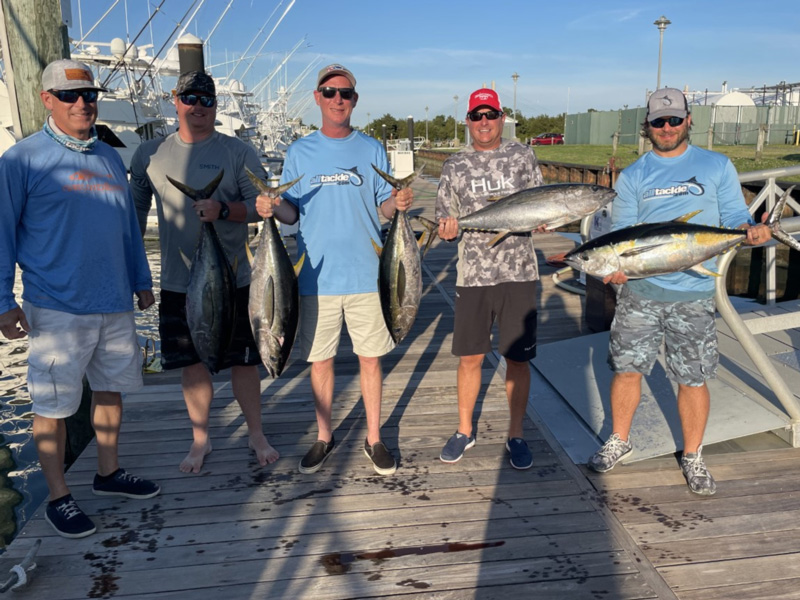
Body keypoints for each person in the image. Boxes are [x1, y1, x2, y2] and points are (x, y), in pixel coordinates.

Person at [0, 59, 160, 539]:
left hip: (113, 302)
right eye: (70, 95)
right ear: (47, 99)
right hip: (56, 307)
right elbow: (2, 232)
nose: (82, 102)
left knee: (111, 392)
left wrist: (139, 277)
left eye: (89, 93)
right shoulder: (21, 159)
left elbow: (127, 226)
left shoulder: (110, 157)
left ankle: (108, 473)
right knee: (52, 407)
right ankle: (57, 496)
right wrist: (3, 300)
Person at [586, 87, 772, 495]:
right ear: (647, 127)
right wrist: (614, 270)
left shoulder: (716, 165)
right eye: (658, 122)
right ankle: (620, 438)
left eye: (673, 120)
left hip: (695, 293)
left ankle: (693, 455)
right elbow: (624, 237)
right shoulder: (634, 175)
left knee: (693, 377)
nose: (666, 128)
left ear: (689, 120)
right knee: (627, 369)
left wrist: (752, 231)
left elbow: (736, 218)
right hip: (641, 292)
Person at [254, 64, 413, 476]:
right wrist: (271, 207)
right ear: (317, 98)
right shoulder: (299, 152)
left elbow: (382, 207)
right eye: (330, 92)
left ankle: (374, 438)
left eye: (345, 93)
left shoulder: (372, 149)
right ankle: (325, 436)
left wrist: (399, 203)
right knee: (320, 361)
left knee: (370, 359)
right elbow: (292, 214)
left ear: (355, 100)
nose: (338, 99)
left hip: (367, 274)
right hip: (314, 279)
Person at [130, 70, 278, 474]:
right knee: (192, 364)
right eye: (190, 98)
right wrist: (132, 264)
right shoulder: (149, 154)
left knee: (244, 361)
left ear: (216, 105)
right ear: (175, 100)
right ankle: (201, 439)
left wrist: (222, 210)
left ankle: (255, 433)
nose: (198, 106)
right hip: (180, 283)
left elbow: (260, 206)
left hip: (236, 277)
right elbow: (136, 212)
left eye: (207, 99)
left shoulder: (238, 151)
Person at [434, 88, 544, 470]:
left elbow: (540, 201)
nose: (484, 122)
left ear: (502, 118)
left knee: (517, 358)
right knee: (470, 357)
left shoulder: (522, 155)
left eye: (491, 115)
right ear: (468, 121)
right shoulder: (454, 165)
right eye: (477, 116)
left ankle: (516, 434)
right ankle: (465, 430)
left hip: (519, 272)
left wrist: (546, 218)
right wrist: (447, 229)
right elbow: (445, 216)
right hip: (474, 275)